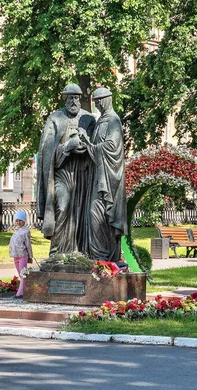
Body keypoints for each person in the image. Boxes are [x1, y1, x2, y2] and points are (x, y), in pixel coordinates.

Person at [37, 83, 96, 256]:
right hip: (62, 173)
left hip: (83, 174)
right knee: (62, 207)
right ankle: (57, 252)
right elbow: (46, 151)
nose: (74, 101)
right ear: (64, 98)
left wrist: (85, 147)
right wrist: (67, 147)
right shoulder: (55, 118)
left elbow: (96, 144)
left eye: (77, 97)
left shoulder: (88, 119)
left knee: (81, 212)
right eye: (70, 97)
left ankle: (80, 251)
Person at [79, 87, 127, 261]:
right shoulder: (101, 121)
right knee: (94, 215)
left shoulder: (113, 121)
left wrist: (89, 144)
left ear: (108, 99)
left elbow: (111, 148)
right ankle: (99, 258)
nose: (97, 104)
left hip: (108, 178)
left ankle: (104, 259)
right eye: (95, 101)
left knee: (97, 214)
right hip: (99, 176)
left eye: (99, 100)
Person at [9, 210, 33, 298]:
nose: (18, 222)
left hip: (23, 255)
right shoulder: (17, 230)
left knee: (23, 274)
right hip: (15, 255)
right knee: (21, 274)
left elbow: (28, 244)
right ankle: (26, 288)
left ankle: (20, 293)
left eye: (20, 220)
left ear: (24, 221)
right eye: (17, 220)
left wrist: (30, 256)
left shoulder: (26, 231)